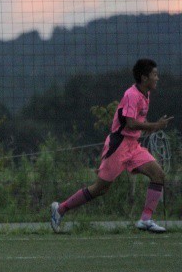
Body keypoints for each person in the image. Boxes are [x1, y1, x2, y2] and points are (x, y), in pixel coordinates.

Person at [50, 58, 173, 233]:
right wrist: (154, 126)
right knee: (100, 188)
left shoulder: (146, 94)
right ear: (144, 77)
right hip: (118, 145)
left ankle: (146, 219)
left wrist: (148, 129)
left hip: (133, 145)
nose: (157, 78)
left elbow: (137, 121)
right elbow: (130, 123)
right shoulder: (131, 95)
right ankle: (60, 209)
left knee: (158, 174)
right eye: (154, 75)